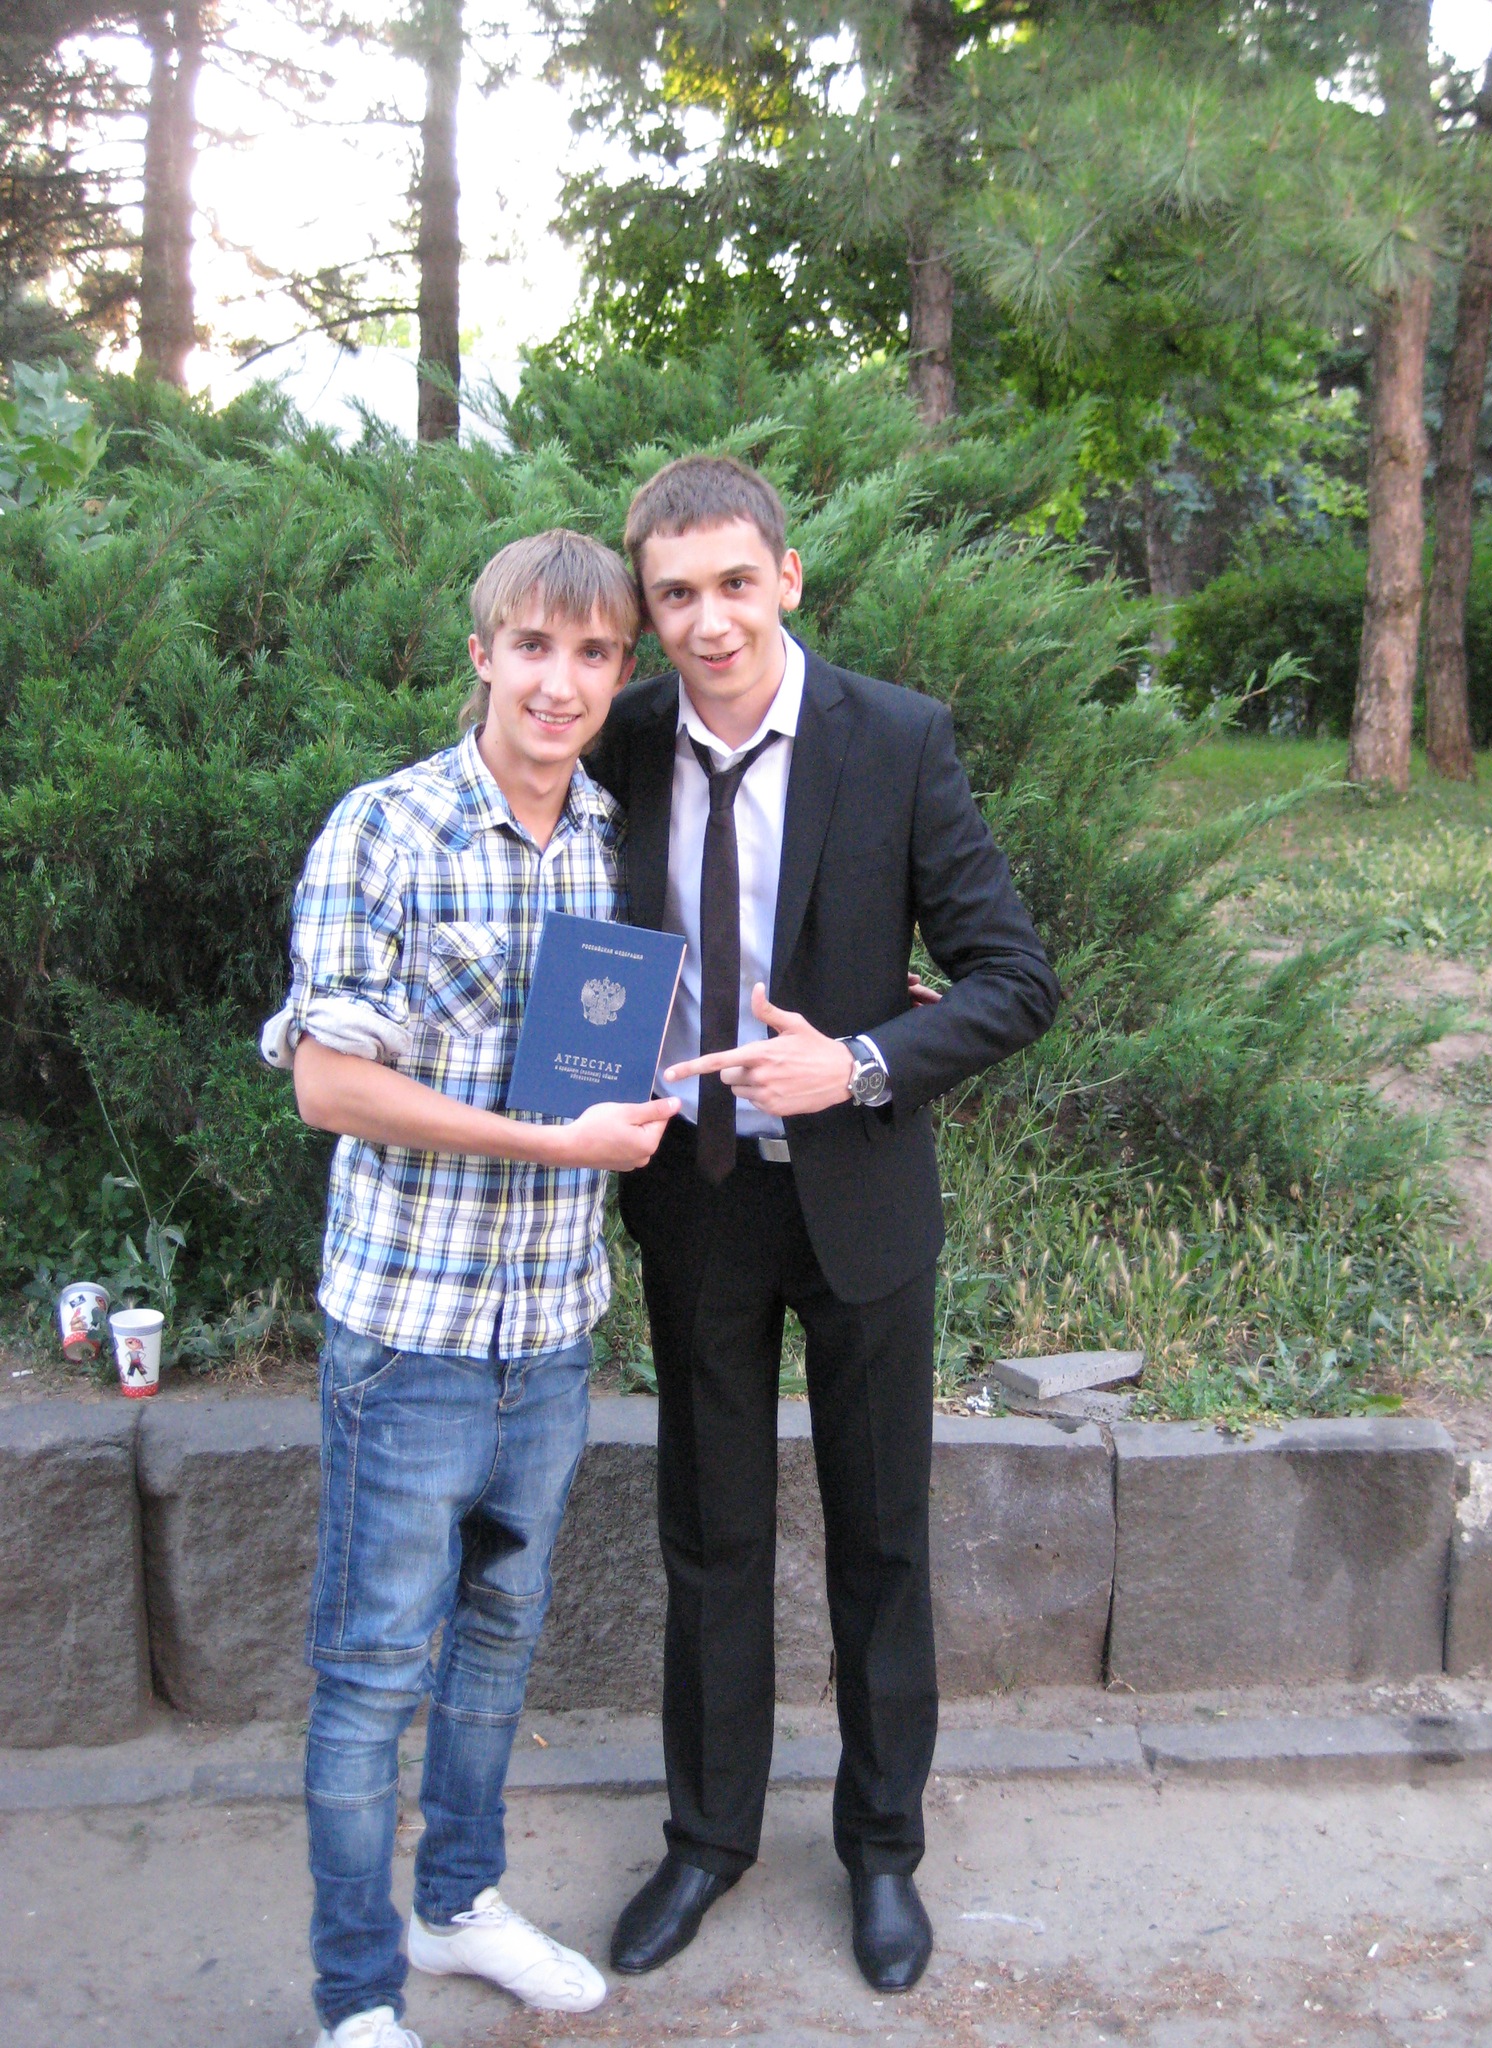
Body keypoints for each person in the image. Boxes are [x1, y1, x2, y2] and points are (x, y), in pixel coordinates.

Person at [586, 456, 1060, 1994]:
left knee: (881, 1541)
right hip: (697, 1193)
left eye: (736, 582)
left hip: (858, 1196)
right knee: (711, 1535)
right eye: (675, 594)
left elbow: (1013, 980)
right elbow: (572, 927)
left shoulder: (896, 738)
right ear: (647, 606)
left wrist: (855, 1060)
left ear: (787, 576)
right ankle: (707, 1839)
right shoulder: (622, 736)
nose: (709, 620)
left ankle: (881, 1850)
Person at [261, 529, 679, 2048]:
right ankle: (356, 1995)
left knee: (500, 1641)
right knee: (375, 1673)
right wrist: (551, 1141)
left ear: (618, 674)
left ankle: (458, 1903)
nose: (559, 683)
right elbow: (328, 1088)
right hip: (414, 1336)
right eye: (533, 648)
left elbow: (635, 1034)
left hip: (549, 1330)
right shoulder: (386, 829)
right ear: (483, 655)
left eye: (593, 655)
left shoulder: (619, 842)